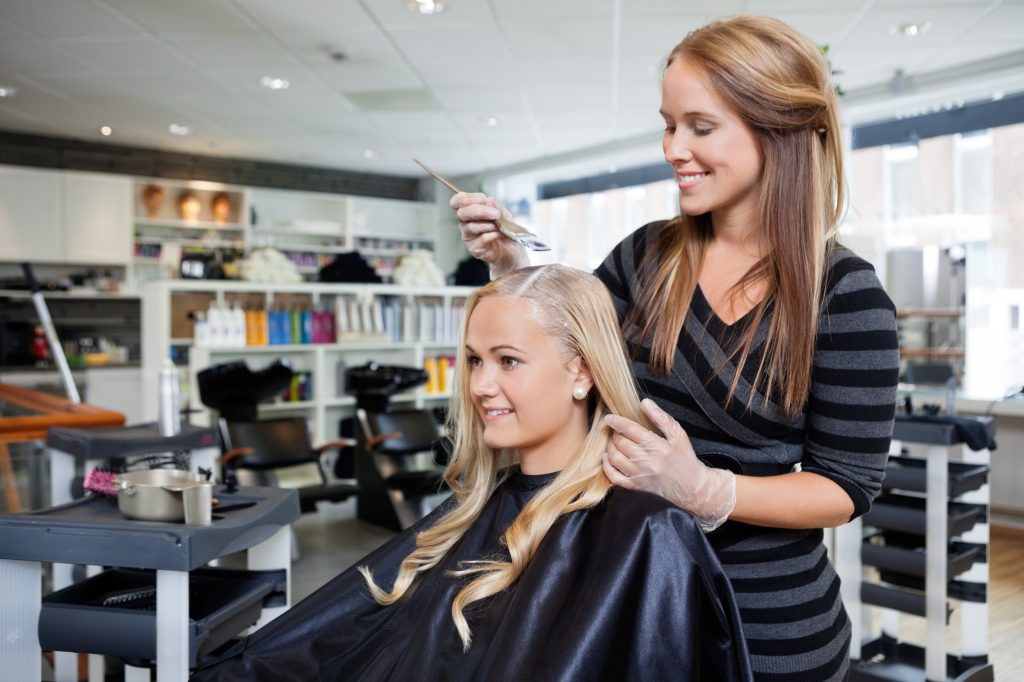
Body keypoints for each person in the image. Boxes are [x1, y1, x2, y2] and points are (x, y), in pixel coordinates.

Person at [451, 15, 900, 681]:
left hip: (770, 634)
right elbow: (567, 355)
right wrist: (511, 265)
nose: (672, 147)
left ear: (774, 129)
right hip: (632, 608)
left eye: (699, 125)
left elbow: (845, 486)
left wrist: (708, 491)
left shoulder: (847, 296)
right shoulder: (644, 259)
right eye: (668, 123)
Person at [190, 264, 753, 681]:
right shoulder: (475, 512)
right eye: (475, 360)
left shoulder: (645, 533)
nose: (481, 385)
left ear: (581, 373)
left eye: (508, 361)